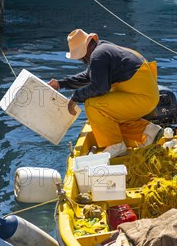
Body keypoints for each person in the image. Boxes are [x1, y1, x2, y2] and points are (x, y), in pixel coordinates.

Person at [48, 29, 162, 157]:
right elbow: (88, 76)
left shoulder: (98, 55)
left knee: (92, 105)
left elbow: (99, 87)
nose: (82, 61)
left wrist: (75, 97)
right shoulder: (103, 49)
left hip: (142, 98)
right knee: (107, 113)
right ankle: (149, 131)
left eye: (80, 58)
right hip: (145, 96)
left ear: (83, 53)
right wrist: (61, 84)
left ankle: (115, 144)